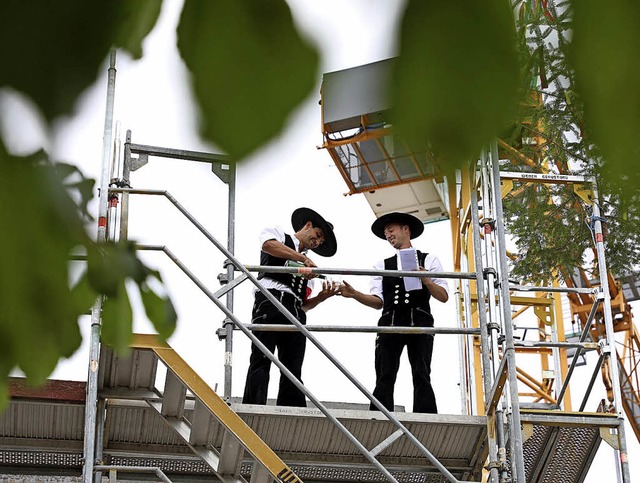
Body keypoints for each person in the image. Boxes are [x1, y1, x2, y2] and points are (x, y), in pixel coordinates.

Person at [339, 212, 449, 413]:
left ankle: (426, 415)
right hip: (390, 322)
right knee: (385, 372)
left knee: (421, 371)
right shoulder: (381, 265)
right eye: (385, 233)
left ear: (405, 229)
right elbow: (378, 302)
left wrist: (427, 280)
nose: (388, 235)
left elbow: (443, 296)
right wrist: (354, 294)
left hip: (420, 320)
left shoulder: (429, 259)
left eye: (391, 230)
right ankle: (379, 415)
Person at [242, 207, 340, 407]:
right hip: (270, 300)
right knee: (262, 357)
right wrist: (302, 258)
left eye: (320, 241)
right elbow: (268, 246)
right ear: (308, 225)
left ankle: (292, 408)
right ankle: (253, 406)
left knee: (293, 366)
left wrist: (321, 297)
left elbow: (303, 304)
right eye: (318, 235)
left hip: (295, 309)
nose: (317, 242)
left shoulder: (310, 269)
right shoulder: (278, 234)